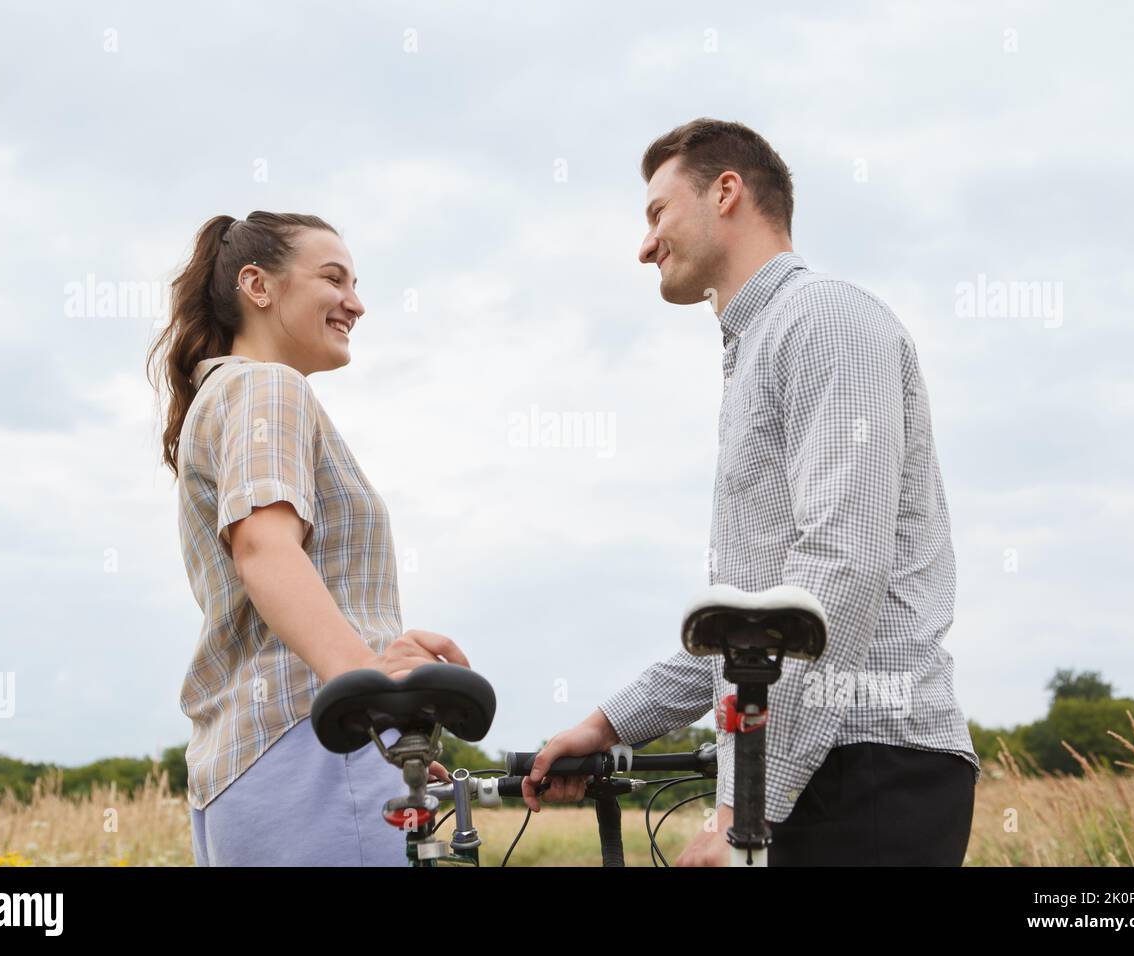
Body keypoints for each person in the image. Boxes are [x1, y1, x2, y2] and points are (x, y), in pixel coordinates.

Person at [521, 120, 981, 866]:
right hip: (820, 770)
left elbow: (843, 566)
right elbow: (751, 628)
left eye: (656, 213)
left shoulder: (825, 317)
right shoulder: (763, 342)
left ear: (726, 192)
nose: (644, 246)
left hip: (866, 767)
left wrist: (743, 811)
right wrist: (609, 723)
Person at [148, 211, 470, 866]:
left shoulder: (222, 396)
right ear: (258, 287)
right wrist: (370, 688)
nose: (356, 302)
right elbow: (264, 550)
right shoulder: (267, 386)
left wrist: (379, 664)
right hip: (314, 752)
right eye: (334, 278)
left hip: (252, 766)